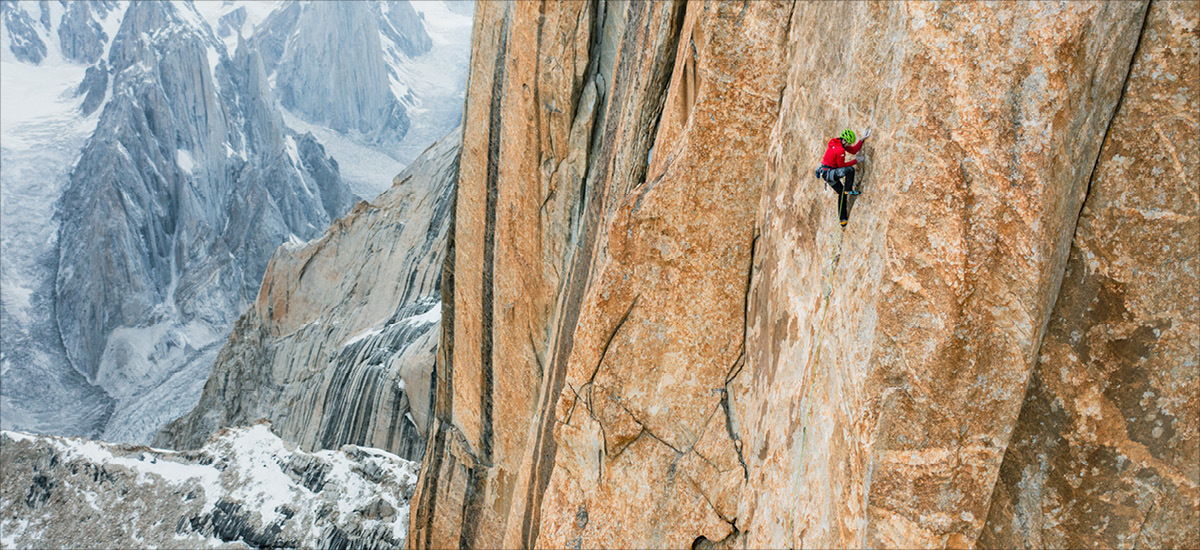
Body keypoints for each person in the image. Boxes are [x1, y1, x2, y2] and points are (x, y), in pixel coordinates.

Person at [814, 128, 870, 195]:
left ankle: (846, 193)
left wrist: (862, 140)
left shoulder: (837, 143)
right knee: (850, 170)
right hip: (829, 173)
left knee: (842, 194)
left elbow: (853, 151)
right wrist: (856, 161)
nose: (849, 145)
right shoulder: (840, 149)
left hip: (827, 172)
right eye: (849, 143)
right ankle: (848, 190)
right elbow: (841, 166)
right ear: (844, 140)